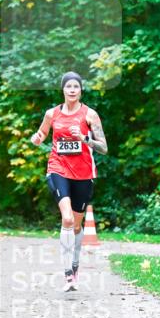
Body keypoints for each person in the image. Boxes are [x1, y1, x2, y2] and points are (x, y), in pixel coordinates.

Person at [29, 71, 108, 291]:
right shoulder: (51, 114)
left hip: (83, 173)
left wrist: (84, 138)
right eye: (68, 87)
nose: (72, 90)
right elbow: (41, 134)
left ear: (81, 90)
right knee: (66, 219)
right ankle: (67, 276)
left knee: (76, 224)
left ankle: (74, 265)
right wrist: (36, 139)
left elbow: (104, 147)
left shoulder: (90, 115)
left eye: (76, 86)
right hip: (58, 168)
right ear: (63, 90)